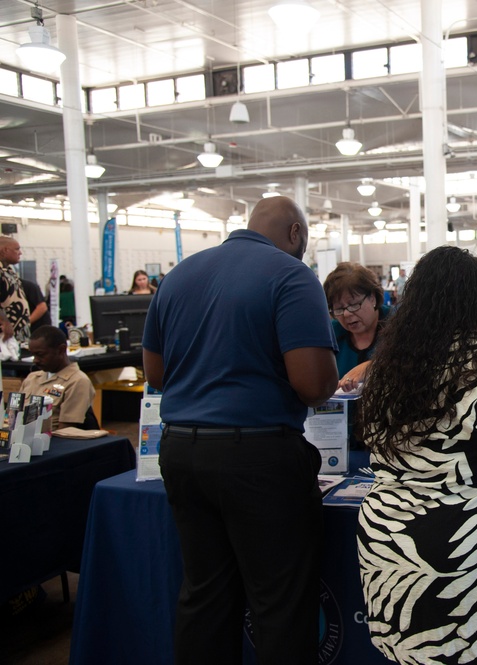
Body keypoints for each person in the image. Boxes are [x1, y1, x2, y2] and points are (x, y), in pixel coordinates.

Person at [142, 196, 338, 665]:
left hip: (182, 453)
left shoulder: (179, 276)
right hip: (259, 460)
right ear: (295, 233)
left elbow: (155, 375)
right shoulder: (292, 275)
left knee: (206, 597)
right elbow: (313, 385)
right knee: (280, 606)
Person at [355, 245, 477, 665]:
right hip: (461, 544)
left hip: (388, 534)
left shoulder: (386, 366)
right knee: (464, 651)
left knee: (408, 654)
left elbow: (374, 441)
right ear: (475, 302)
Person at [323, 262, 391, 448]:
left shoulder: (399, 326)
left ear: (373, 298)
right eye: (338, 309)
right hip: (341, 444)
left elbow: (416, 360)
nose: (346, 314)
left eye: (354, 305)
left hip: (391, 441)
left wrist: (372, 366)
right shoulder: (331, 335)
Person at [21, 325, 98, 431]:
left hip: (51, 442)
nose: (35, 360)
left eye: (40, 355)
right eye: (33, 355)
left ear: (61, 350)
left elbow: (66, 431)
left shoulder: (77, 381)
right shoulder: (32, 378)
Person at [0, 236, 30, 342]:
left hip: (18, 335)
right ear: (5, 250)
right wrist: (4, 321)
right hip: (5, 336)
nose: (20, 253)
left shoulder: (8, 270)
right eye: (17, 249)